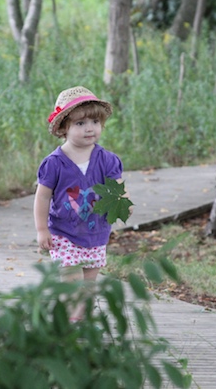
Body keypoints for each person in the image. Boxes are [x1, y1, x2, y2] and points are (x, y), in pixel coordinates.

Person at [34, 86, 127, 323]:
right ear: (63, 128)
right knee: (71, 282)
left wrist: (122, 204)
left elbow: (117, 190)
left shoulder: (107, 160)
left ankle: (82, 320)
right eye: (80, 123)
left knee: (88, 284)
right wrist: (42, 229)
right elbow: (42, 197)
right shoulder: (54, 163)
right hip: (64, 233)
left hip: (96, 233)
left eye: (95, 122)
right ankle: (69, 321)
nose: (89, 128)